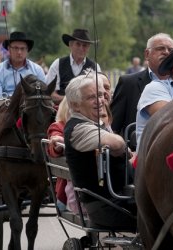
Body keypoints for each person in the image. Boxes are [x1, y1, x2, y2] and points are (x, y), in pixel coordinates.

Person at [64, 71, 136, 230]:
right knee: (162, 218)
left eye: (101, 95)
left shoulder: (94, 123)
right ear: (75, 105)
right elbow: (117, 144)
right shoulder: (78, 128)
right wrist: (123, 148)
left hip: (121, 197)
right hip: (107, 206)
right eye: (91, 97)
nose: (100, 101)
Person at [110, 33, 173, 137]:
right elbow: (113, 128)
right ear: (147, 54)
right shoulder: (128, 83)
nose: (166, 52)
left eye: (171, 50)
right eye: (160, 48)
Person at [45, 28, 101, 105]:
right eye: (78, 44)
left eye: (85, 45)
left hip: (87, 114)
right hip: (61, 113)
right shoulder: (57, 64)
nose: (81, 48)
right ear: (70, 45)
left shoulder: (95, 67)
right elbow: (51, 94)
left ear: (88, 48)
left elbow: (99, 93)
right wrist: (75, 101)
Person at [0, 31, 46, 100]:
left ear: (27, 50)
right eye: (16, 48)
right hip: (5, 108)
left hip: (30, 108)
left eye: (22, 48)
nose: (19, 52)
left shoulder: (37, 70)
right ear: (9, 49)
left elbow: (44, 94)